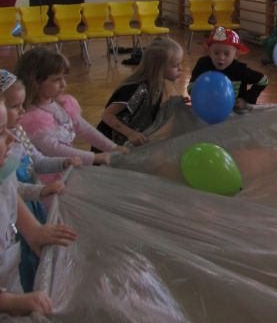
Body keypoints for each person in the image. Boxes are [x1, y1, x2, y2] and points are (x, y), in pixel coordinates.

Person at [0, 70, 82, 292]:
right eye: (0, 131)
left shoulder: (14, 138)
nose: (10, 138)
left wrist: (33, 228)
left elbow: (11, 185)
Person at [14, 49, 122, 169]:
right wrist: (93, 157)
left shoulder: (62, 104)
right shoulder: (32, 118)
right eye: (56, 80)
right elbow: (52, 149)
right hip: (49, 172)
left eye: (64, 78)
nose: (63, 84)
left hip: (68, 165)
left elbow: (84, 128)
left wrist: (112, 147)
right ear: (34, 82)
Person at [97, 36, 184, 146]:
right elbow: (107, 115)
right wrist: (130, 133)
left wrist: (176, 105)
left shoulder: (158, 85)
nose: (181, 68)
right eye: (176, 65)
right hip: (108, 144)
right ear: (158, 67)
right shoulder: (135, 89)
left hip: (126, 144)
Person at [190, 27, 268, 113]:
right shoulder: (203, 65)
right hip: (208, 111)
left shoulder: (240, 70)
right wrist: (200, 96)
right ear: (209, 52)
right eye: (216, 53)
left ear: (236, 54)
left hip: (235, 114)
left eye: (226, 54)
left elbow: (263, 80)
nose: (221, 57)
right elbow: (191, 85)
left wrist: (246, 99)